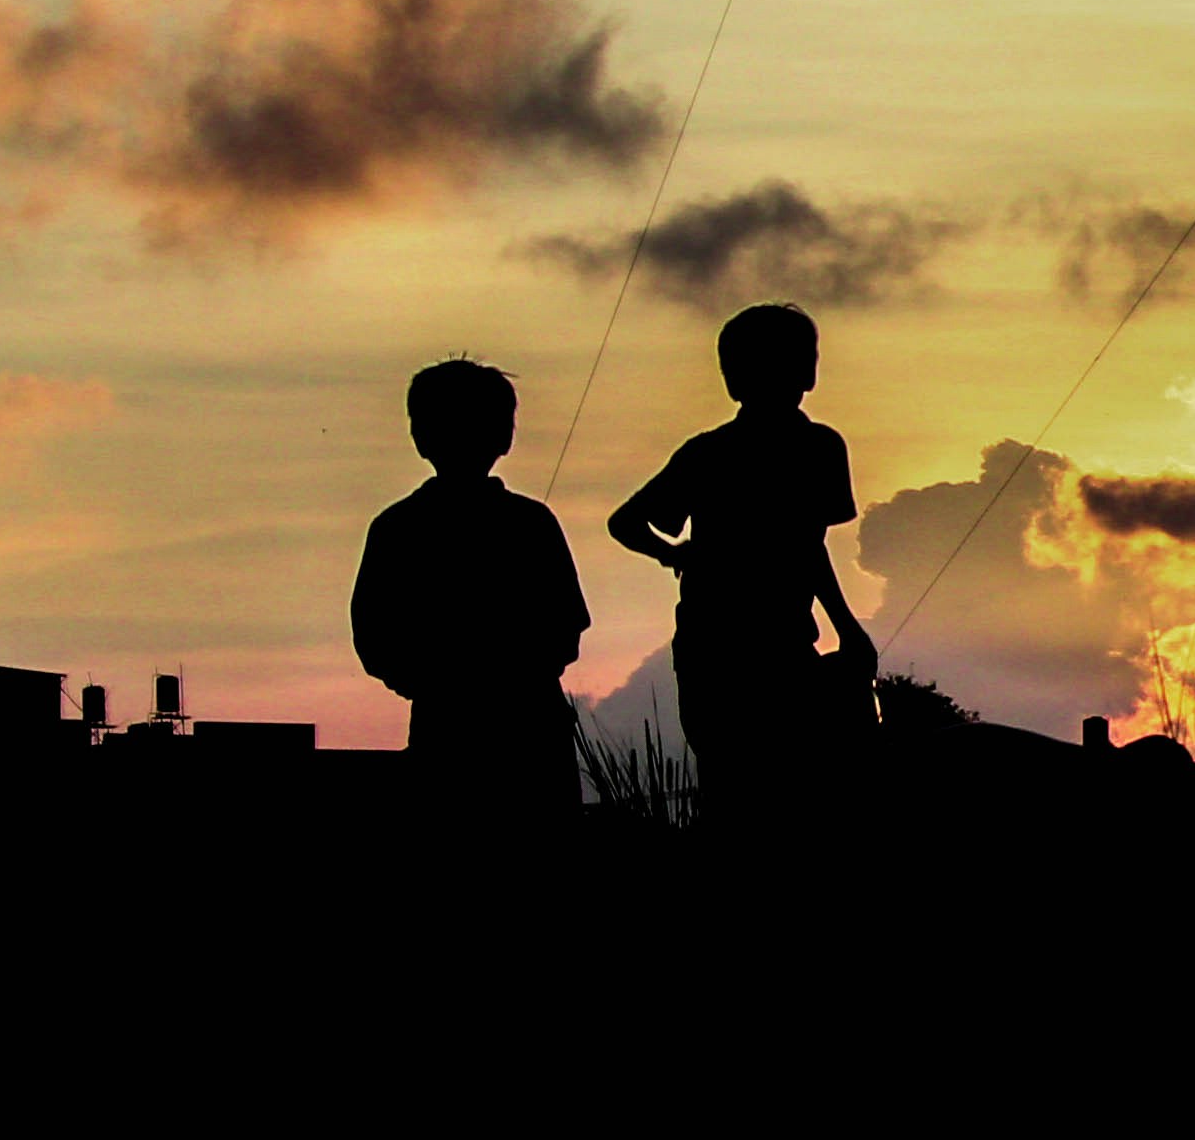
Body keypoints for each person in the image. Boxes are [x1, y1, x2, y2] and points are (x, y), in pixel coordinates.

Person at [607, 303, 871, 830]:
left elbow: (627, 523)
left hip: (740, 644)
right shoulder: (812, 447)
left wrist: (673, 552)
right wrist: (674, 553)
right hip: (742, 646)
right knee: (779, 789)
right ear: (807, 371)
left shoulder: (715, 453)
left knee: (750, 787)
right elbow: (808, 545)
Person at [351, 357, 591, 831]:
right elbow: (567, 628)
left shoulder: (398, 527)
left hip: (451, 729)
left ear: (419, 437)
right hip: (526, 732)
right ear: (505, 437)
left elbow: (374, 638)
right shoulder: (530, 524)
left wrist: (432, 680)